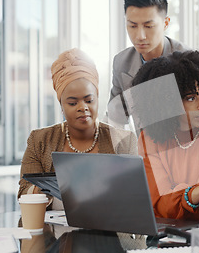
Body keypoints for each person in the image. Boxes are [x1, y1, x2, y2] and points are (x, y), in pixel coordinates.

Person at [18, 48, 138, 210]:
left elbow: (134, 200)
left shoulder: (124, 140)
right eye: (73, 103)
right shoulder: (40, 140)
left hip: (108, 233)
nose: (83, 108)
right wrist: (48, 188)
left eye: (89, 100)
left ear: (97, 100)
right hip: (55, 233)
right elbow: (24, 193)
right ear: (61, 106)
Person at [132, 50, 199, 221]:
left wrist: (178, 192)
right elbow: (158, 204)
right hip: (164, 234)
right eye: (191, 98)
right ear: (167, 103)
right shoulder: (148, 138)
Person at [107, 0, 187, 128]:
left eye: (148, 26)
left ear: (166, 23)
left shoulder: (187, 60)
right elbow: (114, 119)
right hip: (144, 145)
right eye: (132, 26)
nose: (140, 36)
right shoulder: (122, 63)